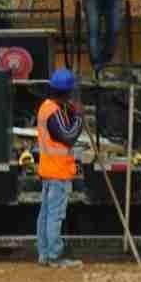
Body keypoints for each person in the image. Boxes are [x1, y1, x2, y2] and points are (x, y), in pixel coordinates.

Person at [34, 68, 85, 269]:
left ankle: (44, 254)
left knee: (45, 215)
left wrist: (72, 111)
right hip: (57, 173)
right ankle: (54, 256)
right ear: (67, 92)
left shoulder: (48, 107)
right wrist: (80, 118)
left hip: (49, 171)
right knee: (55, 215)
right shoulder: (54, 113)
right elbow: (68, 137)